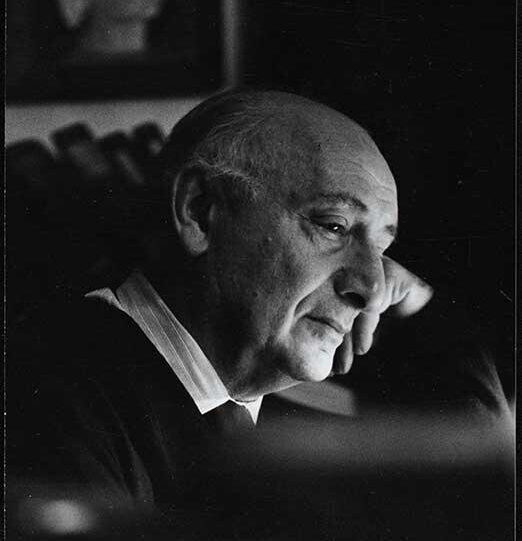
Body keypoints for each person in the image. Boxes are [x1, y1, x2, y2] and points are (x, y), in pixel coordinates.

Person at [8, 90, 510, 525]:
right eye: (333, 226)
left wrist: (421, 307)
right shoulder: (50, 401)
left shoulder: (289, 414)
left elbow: (484, 510)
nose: (373, 287)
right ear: (200, 211)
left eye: (380, 248)